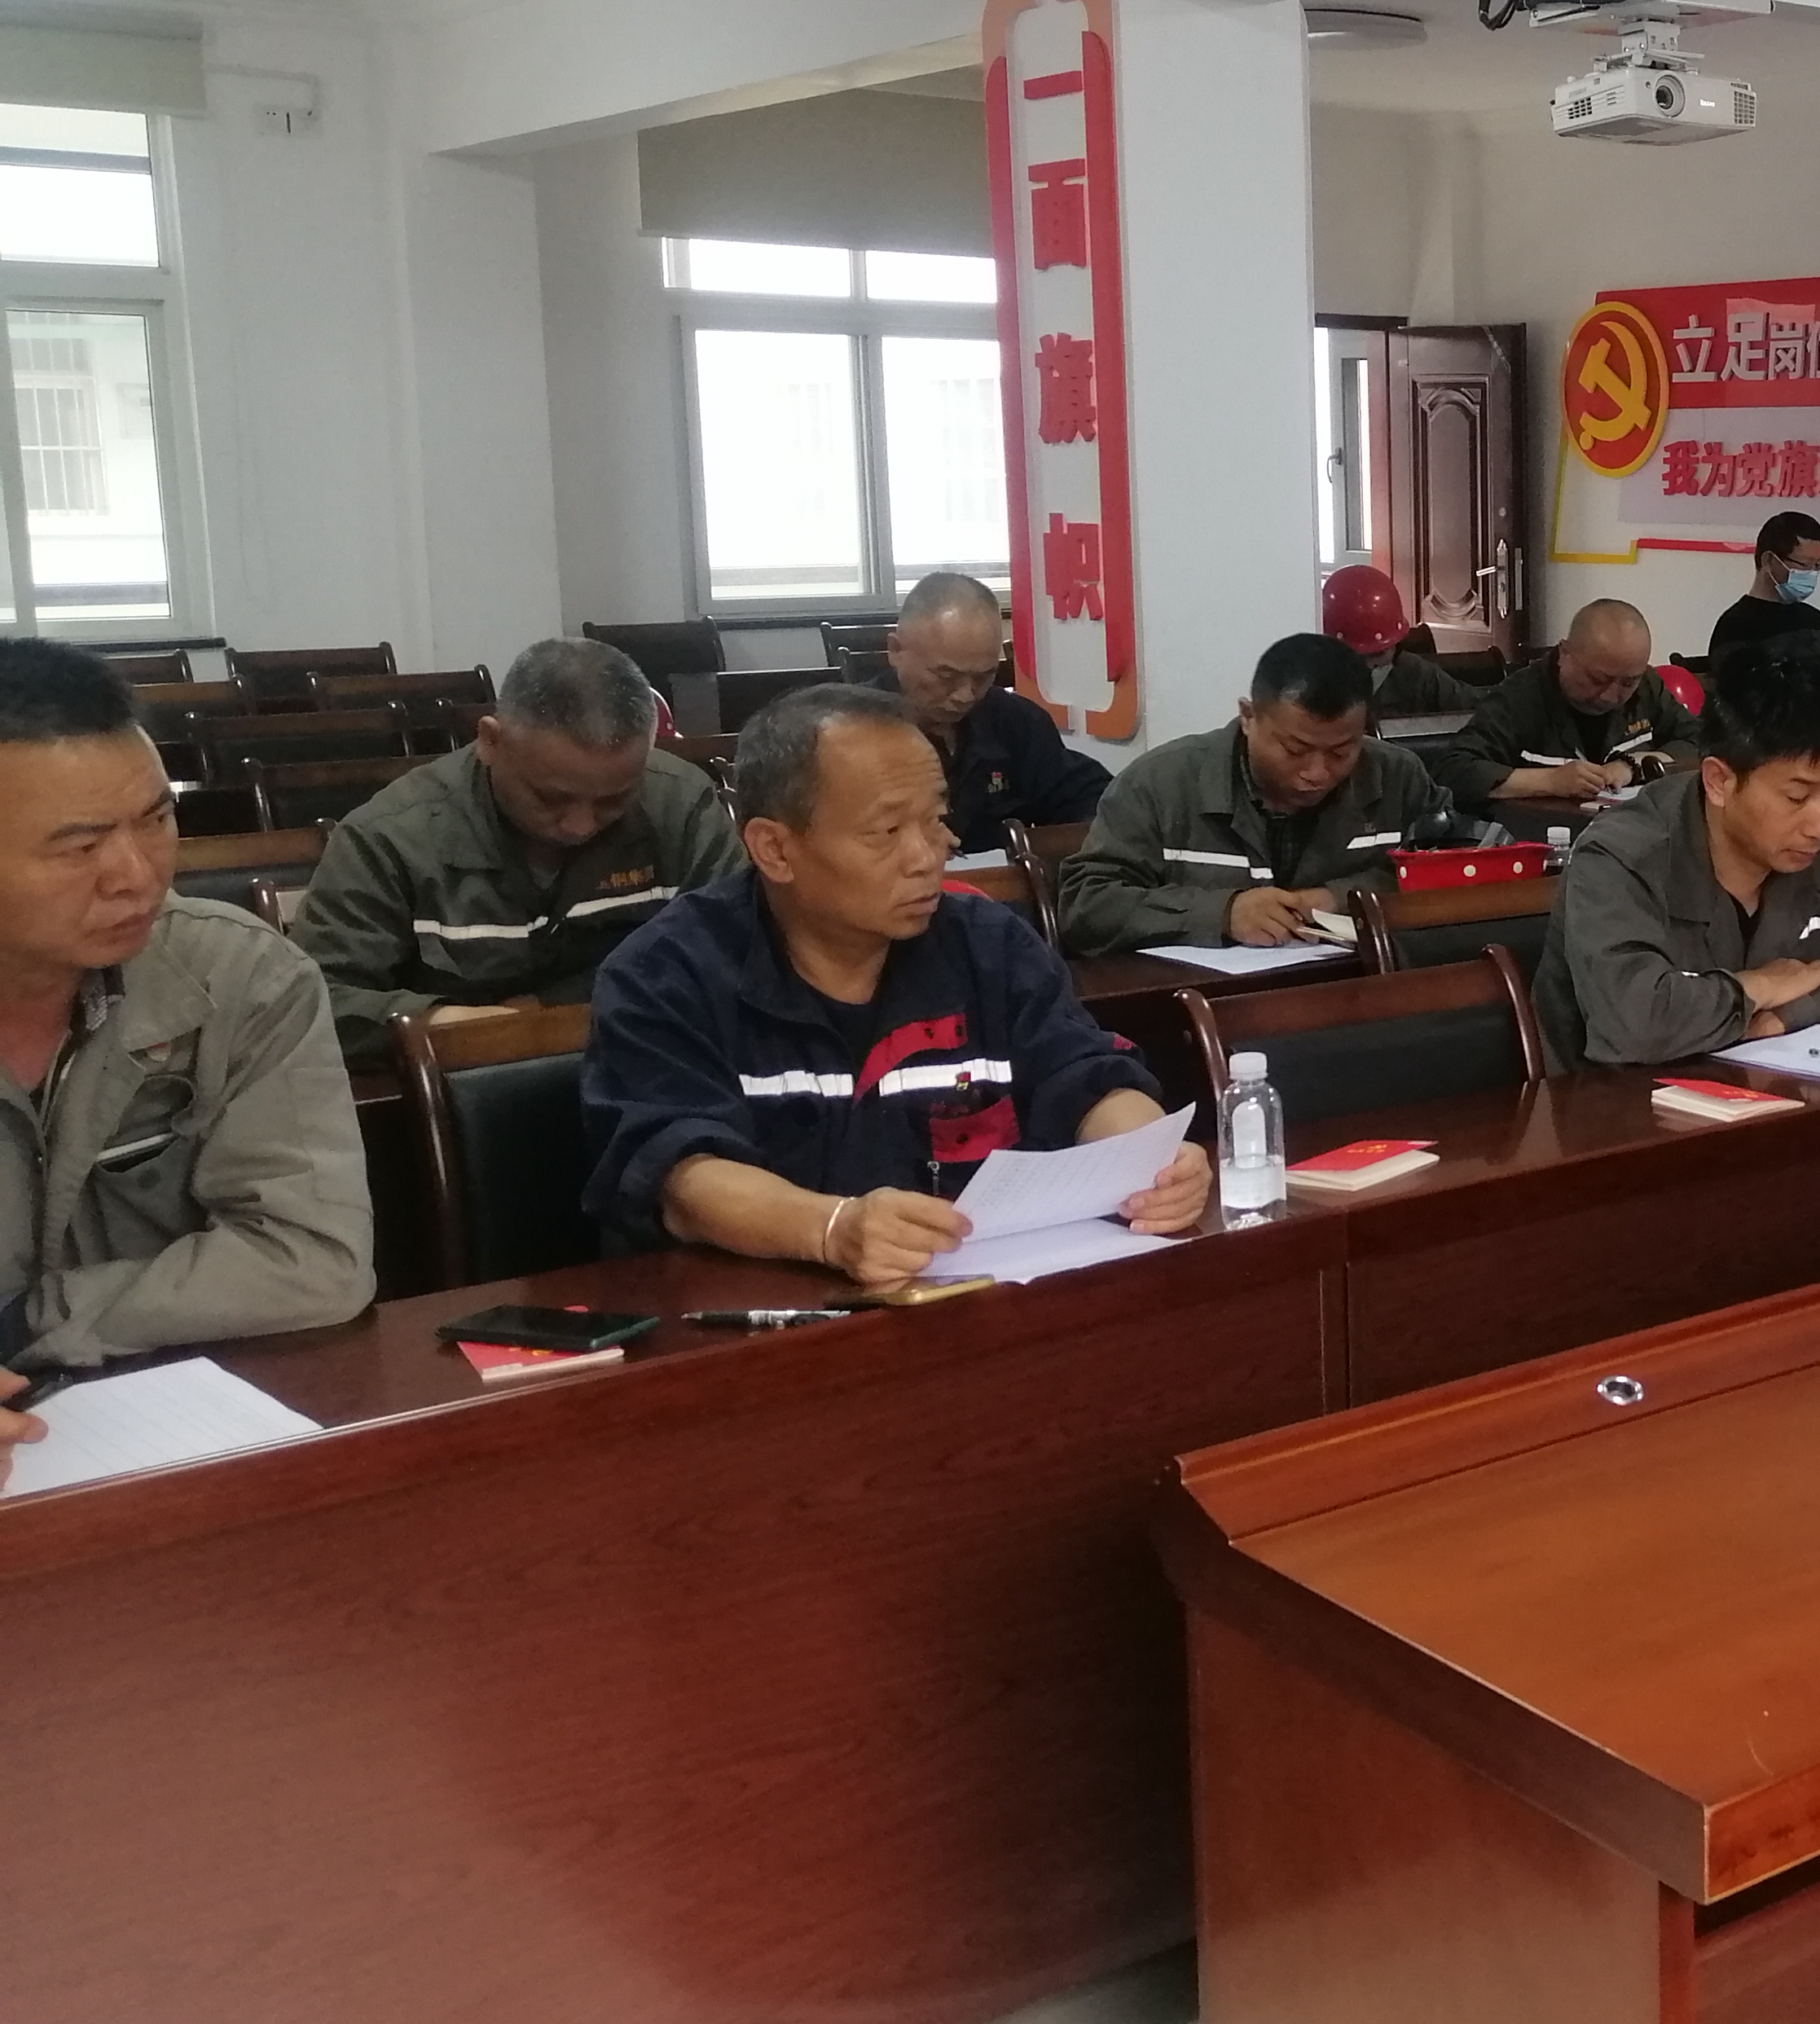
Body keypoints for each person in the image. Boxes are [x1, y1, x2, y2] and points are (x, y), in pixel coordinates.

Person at [581, 684, 1210, 1281]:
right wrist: (832, 1229)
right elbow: (682, 1177)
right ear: (774, 849)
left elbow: (1087, 1078)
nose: (926, 856)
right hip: (759, 1319)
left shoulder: (989, 945)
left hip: (975, 1298)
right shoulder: (665, 974)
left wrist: (1150, 1160)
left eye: (936, 821)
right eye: (886, 832)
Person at [0, 642, 371, 1485]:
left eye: (156, 819)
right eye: (80, 847)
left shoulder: (241, 978)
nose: (137, 875)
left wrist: (29, 1320)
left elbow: (314, 1261)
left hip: (164, 1434)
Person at [292, 636, 741, 1068]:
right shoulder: (388, 838)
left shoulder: (680, 806)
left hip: (650, 1066)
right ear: (490, 741)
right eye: (550, 798)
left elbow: (741, 951)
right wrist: (459, 1024)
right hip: (456, 1083)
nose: (580, 825)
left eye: (614, 800)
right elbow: (314, 1002)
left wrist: (545, 1009)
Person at [1534, 645, 1820, 1067]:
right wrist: (1758, 987)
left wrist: (1790, 1011)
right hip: (1613, 1099)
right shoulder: (1620, 856)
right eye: (1796, 796)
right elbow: (1635, 1023)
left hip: (1765, 1086)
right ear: (1719, 782)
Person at [1054, 633, 1442, 954]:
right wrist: (1222, 913)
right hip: (1203, 1002)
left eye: (1341, 752)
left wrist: (1339, 899)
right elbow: (1086, 904)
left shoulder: (1397, 776)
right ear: (1248, 716)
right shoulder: (1161, 784)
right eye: (1294, 750)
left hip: (1358, 996)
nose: (1317, 773)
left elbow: (1451, 870)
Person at [884, 570, 1114, 851]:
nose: (966, 695)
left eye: (983, 677)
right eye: (946, 676)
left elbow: (1087, 796)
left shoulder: (1016, 721)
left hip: (1002, 876)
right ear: (896, 651)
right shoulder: (856, 731)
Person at [1431, 601, 1699, 814]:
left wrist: (1633, 765)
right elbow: (1454, 772)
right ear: (1564, 654)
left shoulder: (1648, 687)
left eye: (1628, 683)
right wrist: (1550, 781)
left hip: (1633, 835)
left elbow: (1703, 741)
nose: (1610, 696)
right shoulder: (1520, 699)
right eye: (1597, 679)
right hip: (1542, 839)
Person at [1320, 562, 1483, 724]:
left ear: (1395, 645)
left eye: (1378, 653)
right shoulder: (1312, 683)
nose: (1368, 666)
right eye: (1357, 658)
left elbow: (1480, 705)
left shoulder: (1416, 675)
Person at [1707, 512, 1820, 660]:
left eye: (1818, 565)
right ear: (1768, 560)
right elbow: (1743, 676)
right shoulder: (1735, 625)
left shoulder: (1814, 618)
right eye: (1805, 564)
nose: (1811, 573)